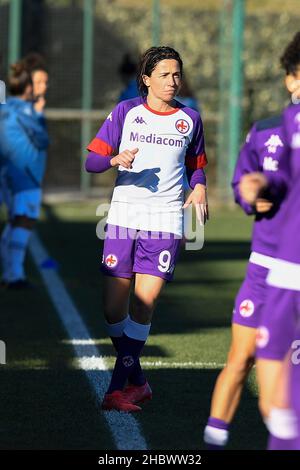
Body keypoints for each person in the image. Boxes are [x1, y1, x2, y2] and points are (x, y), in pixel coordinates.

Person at [85, 46, 208, 412]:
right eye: (165, 74)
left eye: (176, 74)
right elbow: (92, 161)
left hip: (165, 221)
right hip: (123, 218)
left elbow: (197, 165)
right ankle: (138, 380)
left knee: (144, 304)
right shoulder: (126, 112)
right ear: (146, 79)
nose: (173, 81)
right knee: (112, 310)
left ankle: (116, 390)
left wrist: (199, 185)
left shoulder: (190, 120)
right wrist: (113, 159)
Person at [203, 32, 300, 449]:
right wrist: (252, 191)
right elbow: (247, 180)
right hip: (265, 268)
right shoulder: (268, 129)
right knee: (241, 359)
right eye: (293, 76)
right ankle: (213, 440)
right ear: (289, 78)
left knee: (281, 392)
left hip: (291, 270)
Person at [0, 58, 49, 288]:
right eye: (38, 83)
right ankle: (15, 274)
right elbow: (42, 139)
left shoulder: (5, 107)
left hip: (11, 174)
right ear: (28, 87)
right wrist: (38, 114)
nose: (42, 87)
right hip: (25, 176)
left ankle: (11, 271)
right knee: (24, 221)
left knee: (14, 222)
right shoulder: (26, 111)